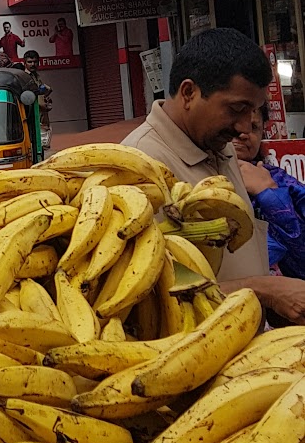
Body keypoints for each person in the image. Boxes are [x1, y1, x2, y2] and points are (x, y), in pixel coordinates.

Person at [124, 27, 305, 320]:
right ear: (188, 93)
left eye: (254, 111)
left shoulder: (220, 147)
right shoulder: (140, 164)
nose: (245, 127)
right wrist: (265, 290)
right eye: (237, 109)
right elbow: (153, 294)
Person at [234, 105, 305, 280]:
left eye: (253, 127)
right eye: (233, 124)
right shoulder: (197, 183)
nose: (243, 133)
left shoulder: (281, 182)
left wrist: (268, 194)